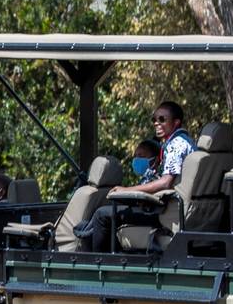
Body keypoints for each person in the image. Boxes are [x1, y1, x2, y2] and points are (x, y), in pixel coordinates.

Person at [78, 102, 195, 252]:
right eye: (154, 120)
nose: (157, 123)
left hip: (166, 213)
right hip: (175, 210)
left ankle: (97, 266)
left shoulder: (175, 145)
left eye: (162, 119)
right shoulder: (188, 142)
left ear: (176, 122)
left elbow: (165, 183)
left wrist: (126, 190)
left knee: (102, 214)